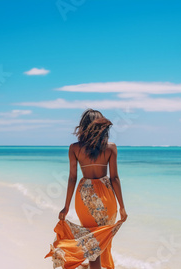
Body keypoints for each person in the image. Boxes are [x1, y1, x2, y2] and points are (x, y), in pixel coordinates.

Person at [45, 108, 128, 269]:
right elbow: (114, 178)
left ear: (83, 126)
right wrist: (122, 206)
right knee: (99, 240)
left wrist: (66, 207)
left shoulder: (75, 148)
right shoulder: (111, 148)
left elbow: (72, 178)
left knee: (92, 242)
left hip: (85, 196)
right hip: (107, 196)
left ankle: (90, 266)